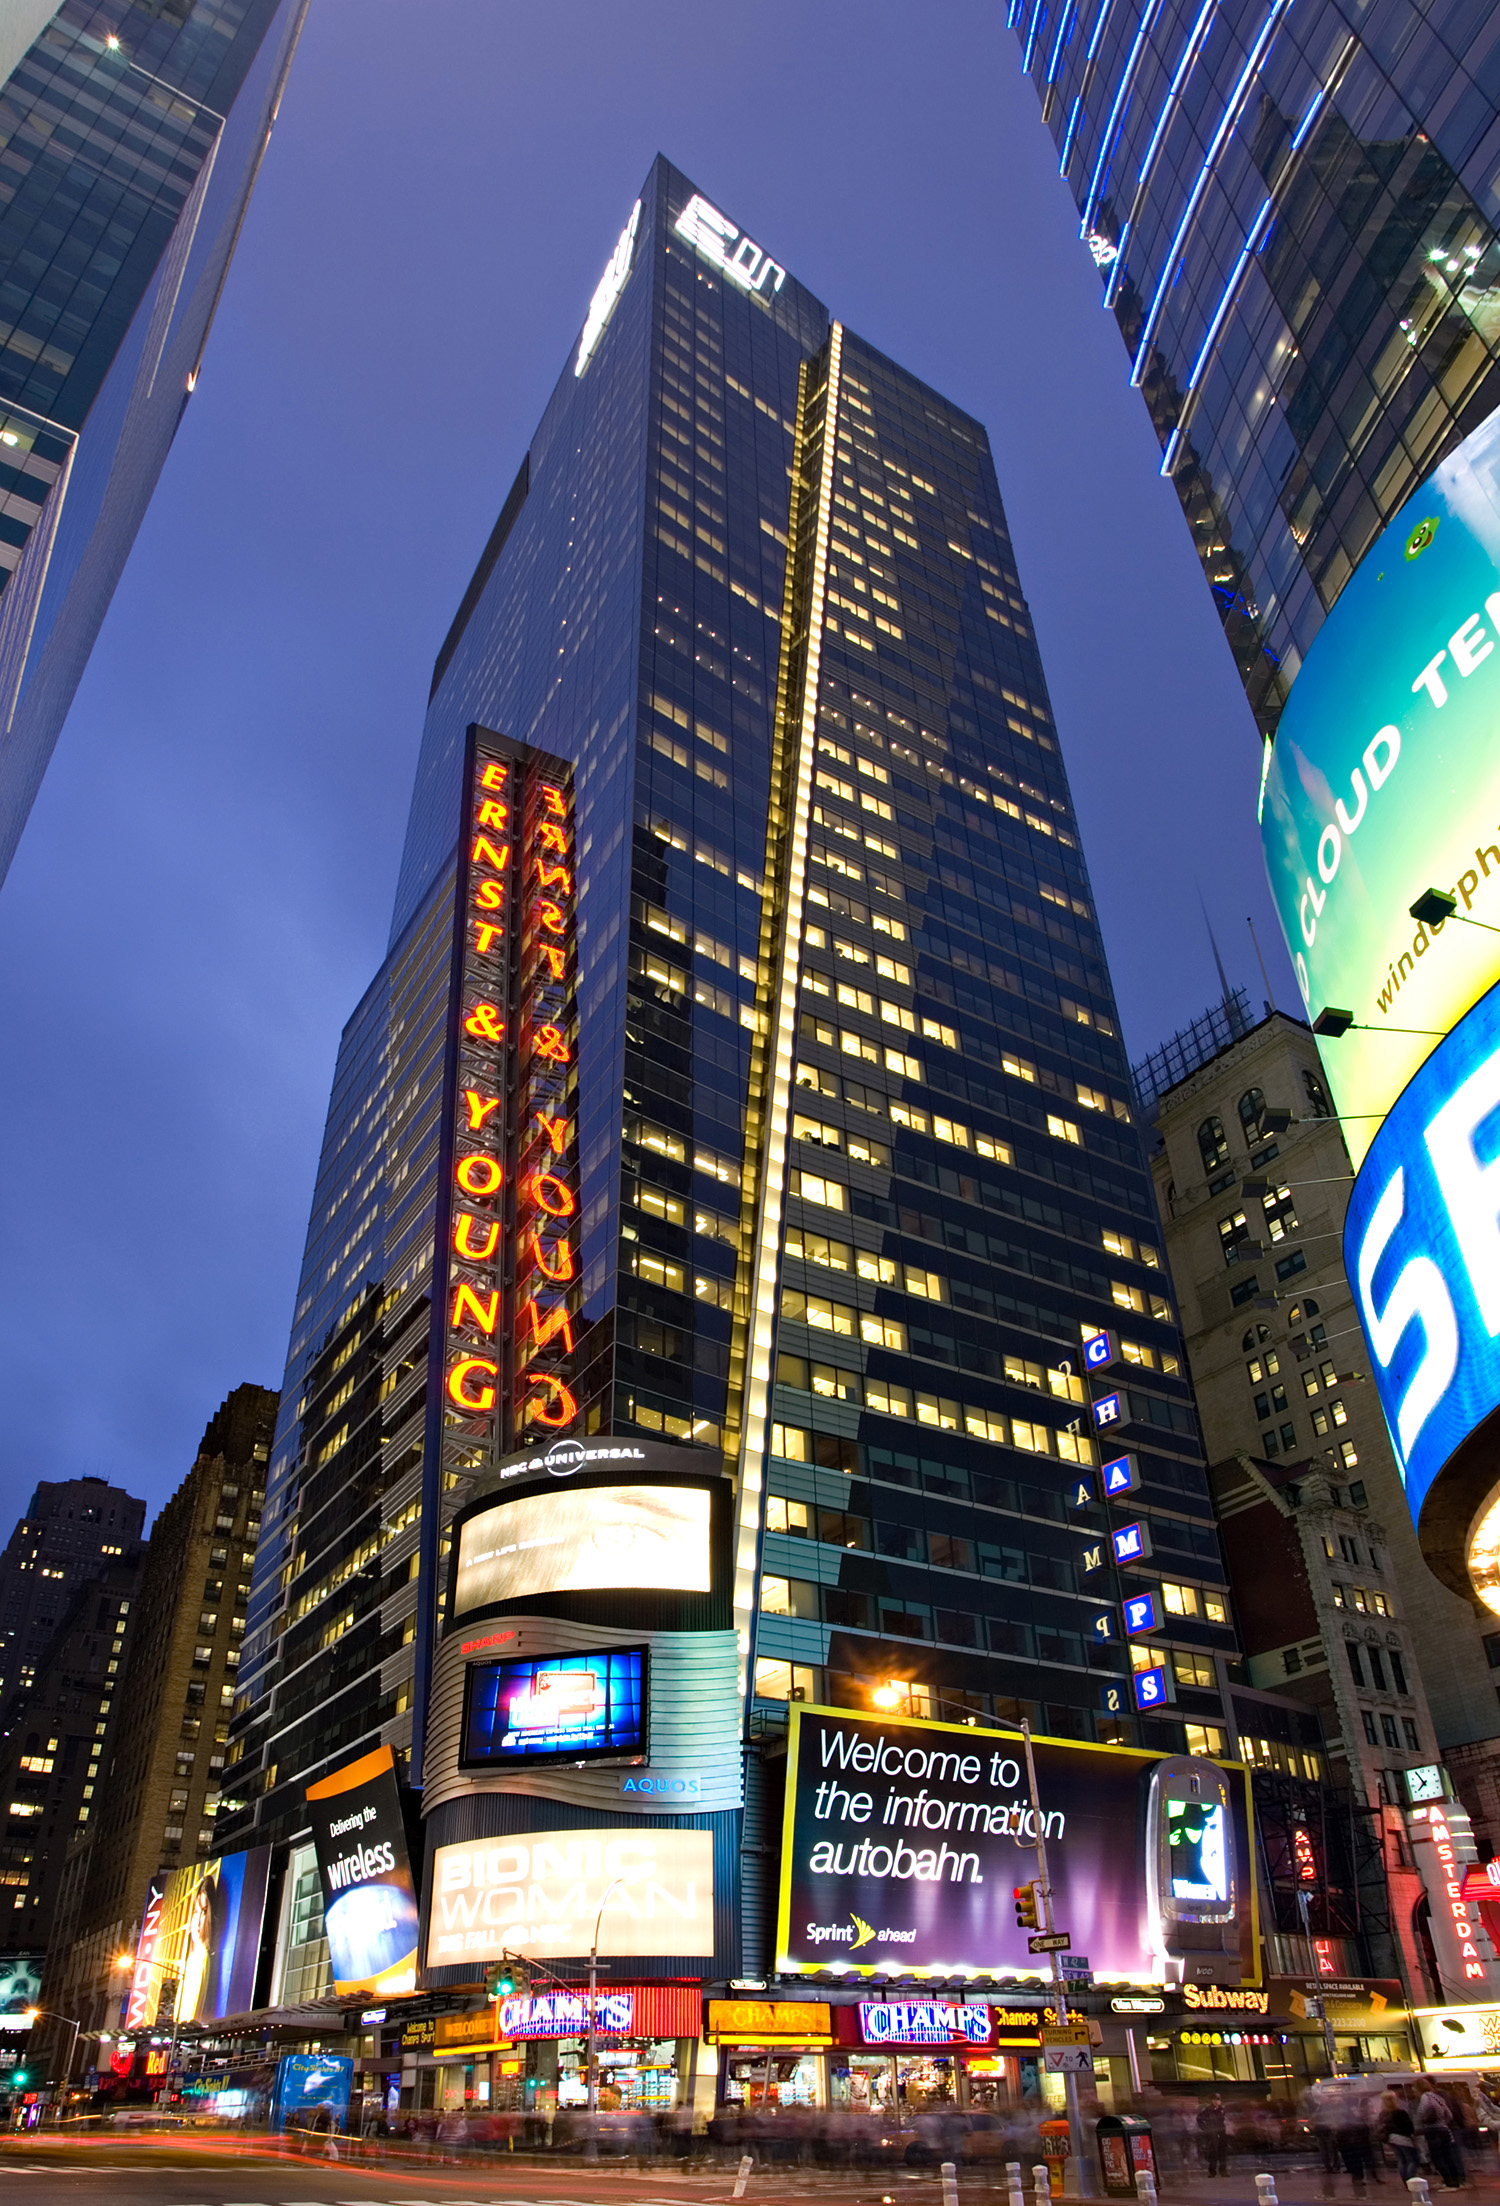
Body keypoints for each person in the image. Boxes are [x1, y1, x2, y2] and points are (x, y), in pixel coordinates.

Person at [1418, 2084, 1465, 2190]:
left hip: (1433, 2130)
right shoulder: (1438, 2098)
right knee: (1448, 2157)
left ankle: (1449, 2182)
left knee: (1437, 2158)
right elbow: (1449, 2115)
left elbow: (1421, 2113)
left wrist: (1426, 2123)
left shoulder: (1425, 2098)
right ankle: (1455, 2182)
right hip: (1444, 2130)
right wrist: (1443, 2122)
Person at [1381, 2093, 1420, 2184]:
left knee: (1401, 2160)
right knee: (1412, 2160)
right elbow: (1408, 2126)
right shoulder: (1400, 2112)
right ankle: (1411, 2180)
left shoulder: (1383, 2113)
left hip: (1391, 2138)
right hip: (1403, 2138)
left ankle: (1405, 2181)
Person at [1198, 2095, 1229, 2177]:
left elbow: (1225, 2120)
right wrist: (1206, 2129)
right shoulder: (1208, 2110)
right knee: (1213, 2153)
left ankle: (1223, 2171)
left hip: (1222, 2133)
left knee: (1222, 2153)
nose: (1216, 2101)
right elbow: (1199, 2119)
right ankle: (1212, 2171)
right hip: (1212, 2134)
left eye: (1218, 2100)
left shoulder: (1222, 2110)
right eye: (1214, 2100)